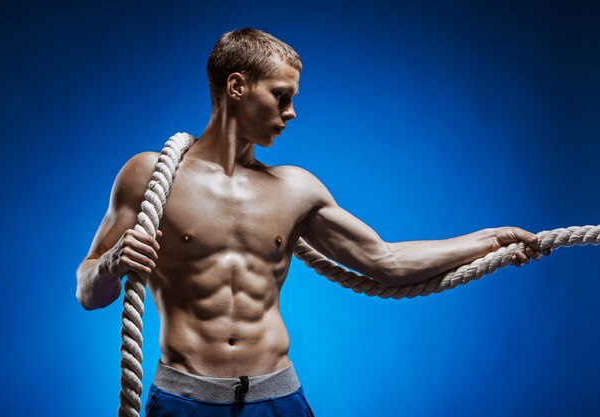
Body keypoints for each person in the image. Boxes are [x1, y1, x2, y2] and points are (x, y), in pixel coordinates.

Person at [75, 28, 550, 417]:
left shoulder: (295, 189)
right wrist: (112, 264)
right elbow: (88, 293)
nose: (291, 112)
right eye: (281, 96)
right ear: (237, 87)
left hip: (277, 399)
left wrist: (491, 239)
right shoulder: (149, 175)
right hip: (185, 401)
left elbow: (386, 262)